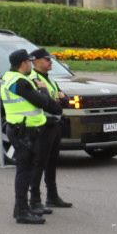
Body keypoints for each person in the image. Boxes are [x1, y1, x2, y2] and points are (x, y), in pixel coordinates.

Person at [0, 51, 61, 225]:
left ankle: (23, 208)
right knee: (24, 172)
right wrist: (42, 89)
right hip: (24, 130)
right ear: (23, 63)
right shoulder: (20, 82)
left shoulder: (9, 78)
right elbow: (42, 102)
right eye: (29, 63)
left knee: (27, 170)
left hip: (22, 128)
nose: (31, 66)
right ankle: (22, 211)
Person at [27, 49, 70, 213]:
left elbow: (64, 100)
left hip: (55, 124)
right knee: (39, 163)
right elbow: (45, 102)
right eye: (47, 60)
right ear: (35, 61)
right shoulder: (33, 79)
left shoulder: (48, 80)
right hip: (42, 125)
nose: (51, 62)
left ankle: (52, 196)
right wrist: (57, 101)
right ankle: (35, 199)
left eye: (51, 60)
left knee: (52, 162)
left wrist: (61, 99)